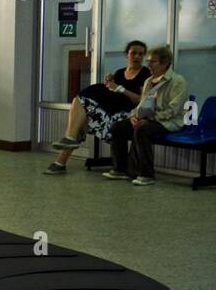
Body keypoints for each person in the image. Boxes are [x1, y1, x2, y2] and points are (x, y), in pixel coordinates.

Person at [42, 40, 150, 174]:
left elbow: (141, 100)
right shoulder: (120, 72)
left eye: (140, 54)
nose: (137, 57)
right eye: (134, 53)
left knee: (82, 120)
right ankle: (67, 144)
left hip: (126, 114)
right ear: (127, 54)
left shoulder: (145, 74)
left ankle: (62, 159)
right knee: (80, 102)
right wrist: (109, 85)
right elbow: (111, 93)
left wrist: (121, 89)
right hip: (111, 109)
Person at [104, 45, 189, 186]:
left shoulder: (177, 81)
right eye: (148, 61)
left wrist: (148, 118)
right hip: (148, 119)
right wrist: (134, 116)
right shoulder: (148, 81)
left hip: (169, 122)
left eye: (152, 61)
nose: (148, 64)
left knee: (143, 129)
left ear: (165, 62)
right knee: (118, 127)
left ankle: (146, 174)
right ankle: (120, 169)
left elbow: (174, 110)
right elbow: (141, 105)